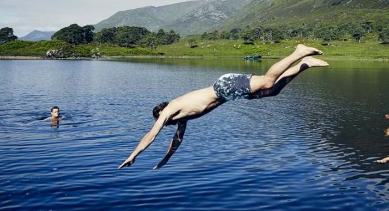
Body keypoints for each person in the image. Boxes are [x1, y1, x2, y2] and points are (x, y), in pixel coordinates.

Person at [118, 44, 329, 169]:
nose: (163, 125)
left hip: (224, 87)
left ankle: (298, 52)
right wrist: (165, 160)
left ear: (160, 114)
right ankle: (305, 64)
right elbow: (177, 140)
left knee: (266, 81)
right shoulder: (180, 118)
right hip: (228, 94)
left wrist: (133, 155)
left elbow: (150, 135)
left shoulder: (170, 109)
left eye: (160, 122)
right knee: (272, 91)